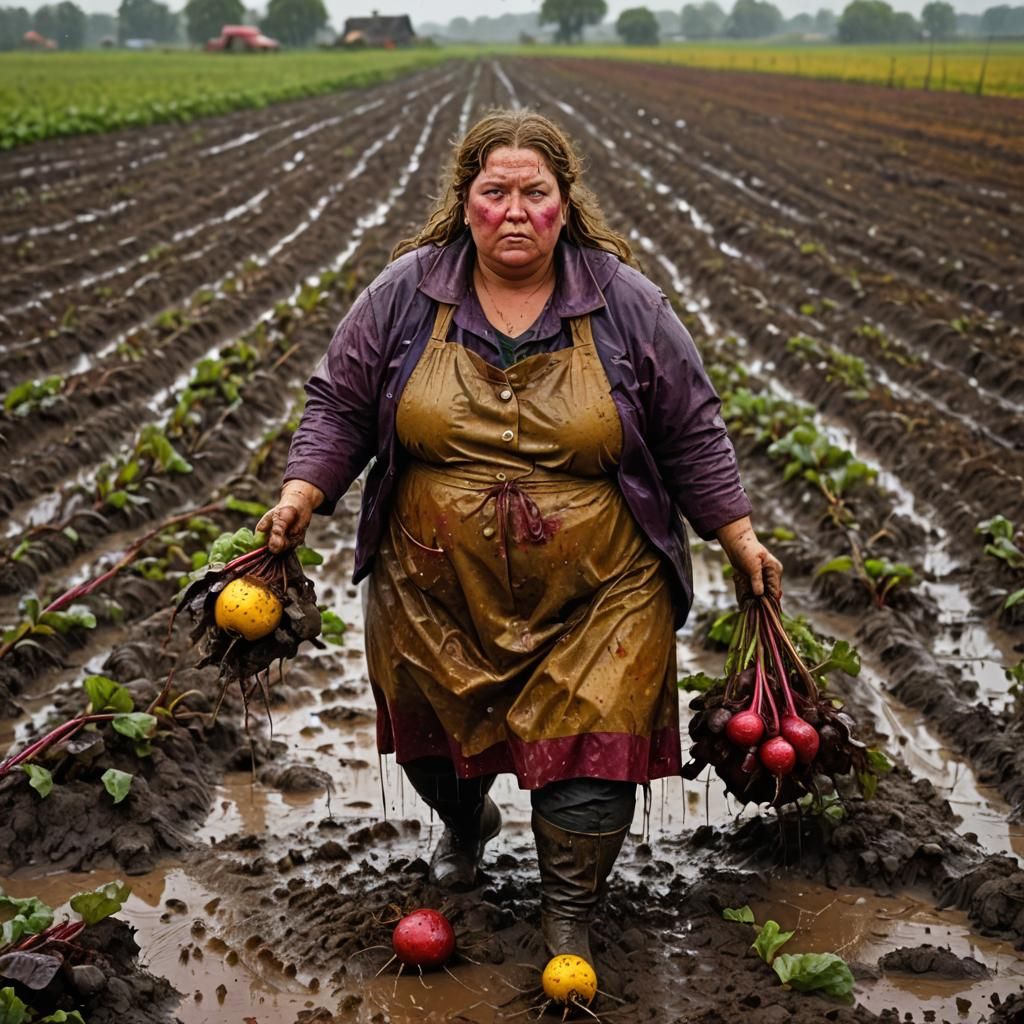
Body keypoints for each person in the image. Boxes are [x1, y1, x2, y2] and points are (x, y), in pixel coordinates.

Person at [257, 109, 782, 967]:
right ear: (464, 203)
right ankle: (465, 823)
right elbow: (342, 403)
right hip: (434, 584)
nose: (513, 210)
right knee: (440, 746)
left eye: (534, 192)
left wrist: (740, 537)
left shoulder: (626, 301)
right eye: (493, 191)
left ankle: (568, 915)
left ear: (564, 205)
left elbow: (691, 428)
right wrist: (301, 493)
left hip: (601, 588)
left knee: (594, 741)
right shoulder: (406, 293)